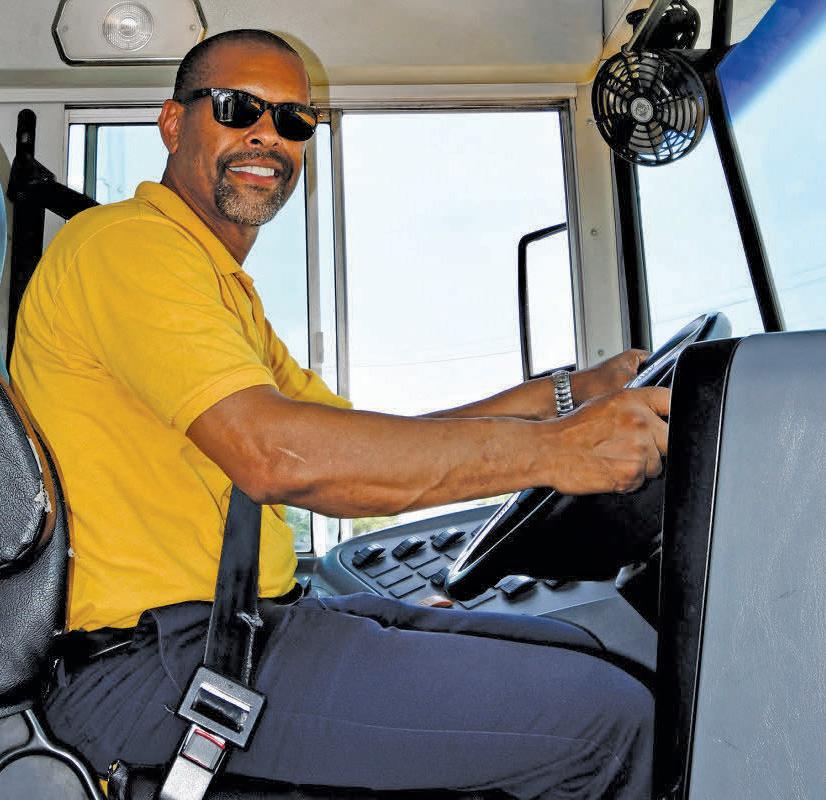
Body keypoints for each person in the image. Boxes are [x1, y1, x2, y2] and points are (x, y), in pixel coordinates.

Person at [10, 29, 669, 799]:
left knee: (579, 647)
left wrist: (568, 396)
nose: (269, 134)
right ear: (173, 122)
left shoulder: (221, 295)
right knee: (608, 721)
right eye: (238, 108)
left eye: (294, 120)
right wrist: (558, 452)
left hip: (239, 630)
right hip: (148, 665)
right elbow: (278, 458)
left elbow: (366, 445)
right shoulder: (128, 246)